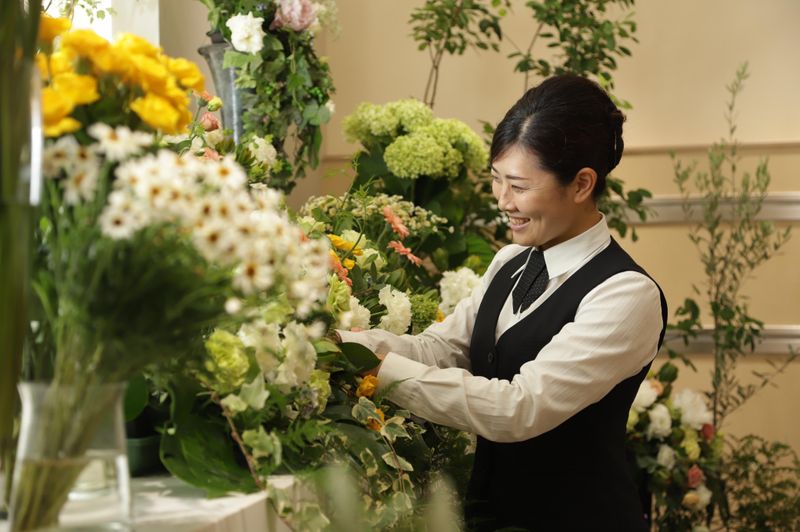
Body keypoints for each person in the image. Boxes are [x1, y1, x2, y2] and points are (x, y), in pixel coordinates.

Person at [337, 74, 667, 531]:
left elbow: (520, 407)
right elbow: (442, 348)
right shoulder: (511, 261)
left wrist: (379, 371)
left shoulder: (626, 293)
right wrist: (345, 345)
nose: (502, 201)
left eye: (519, 186)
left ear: (581, 184)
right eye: (496, 180)